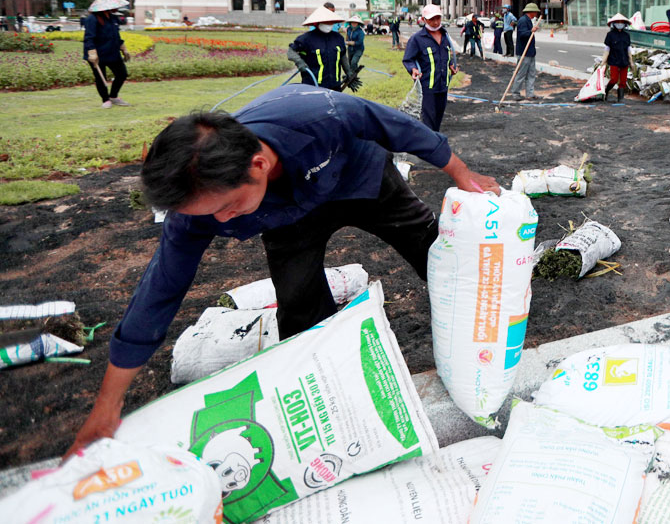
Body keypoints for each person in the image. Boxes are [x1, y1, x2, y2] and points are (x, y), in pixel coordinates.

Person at [64, 83, 500, 457]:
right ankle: (338, 404)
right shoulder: (199, 208)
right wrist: (107, 403)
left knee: (433, 254)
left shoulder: (316, 117)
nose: (220, 223)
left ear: (259, 165)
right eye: (210, 215)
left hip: (361, 178)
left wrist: (461, 173)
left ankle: (484, 331)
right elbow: (160, 291)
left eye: (228, 208)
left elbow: (392, 124)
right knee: (299, 308)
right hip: (288, 217)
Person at [403, 4, 458, 130]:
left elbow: (446, 55)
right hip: (427, 87)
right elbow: (408, 59)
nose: (435, 22)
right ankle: (430, 147)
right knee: (429, 121)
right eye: (431, 19)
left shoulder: (445, 36)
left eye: (438, 18)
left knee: (438, 119)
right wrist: (413, 69)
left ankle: (434, 142)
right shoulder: (417, 39)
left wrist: (451, 65)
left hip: (443, 86)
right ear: (424, 20)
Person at [287, 6, 358, 92]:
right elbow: (291, 51)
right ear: (317, 23)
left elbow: (342, 56)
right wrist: (300, 62)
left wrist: (349, 72)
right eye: (325, 22)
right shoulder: (306, 39)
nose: (328, 25)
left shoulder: (338, 38)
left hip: (334, 87)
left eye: (330, 22)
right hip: (312, 87)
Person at [83, 0, 132, 109]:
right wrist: (92, 53)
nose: (117, 8)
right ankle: (105, 100)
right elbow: (88, 37)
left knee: (122, 74)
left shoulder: (112, 18)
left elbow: (116, 35)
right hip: (97, 54)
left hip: (112, 52)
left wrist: (123, 49)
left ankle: (113, 96)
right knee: (101, 77)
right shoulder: (92, 19)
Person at [508, 2, 541, 101]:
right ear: (531, 12)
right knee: (521, 74)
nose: (536, 14)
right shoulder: (523, 21)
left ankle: (530, 94)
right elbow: (522, 34)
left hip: (530, 52)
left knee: (531, 74)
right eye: (535, 12)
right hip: (524, 53)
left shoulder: (529, 20)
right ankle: (515, 93)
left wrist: (532, 30)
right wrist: (531, 31)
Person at [599, 13, 634, 103]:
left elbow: (628, 49)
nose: (619, 24)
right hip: (613, 59)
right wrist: (603, 61)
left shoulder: (627, 35)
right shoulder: (610, 35)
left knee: (623, 81)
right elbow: (607, 49)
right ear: (613, 24)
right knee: (614, 79)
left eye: (621, 22)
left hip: (624, 60)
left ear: (624, 24)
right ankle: (606, 91)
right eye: (617, 22)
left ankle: (620, 98)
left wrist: (631, 61)